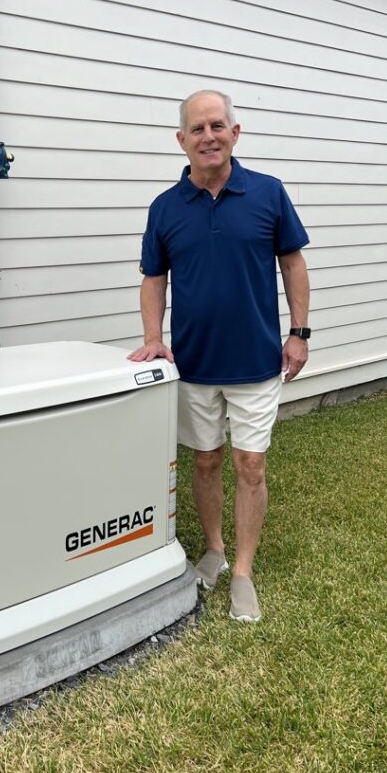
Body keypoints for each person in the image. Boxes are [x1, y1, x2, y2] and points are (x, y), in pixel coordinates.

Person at [128, 90, 310, 622]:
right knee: (205, 460)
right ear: (181, 140)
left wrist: (299, 333)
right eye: (197, 128)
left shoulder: (269, 193)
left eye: (217, 125)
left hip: (257, 362)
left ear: (235, 132)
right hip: (194, 364)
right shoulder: (165, 208)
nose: (208, 136)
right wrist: (153, 336)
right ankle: (214, 548)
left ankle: (243, 572)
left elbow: (293, 264)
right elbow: (154, 278)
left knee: (250, 464)